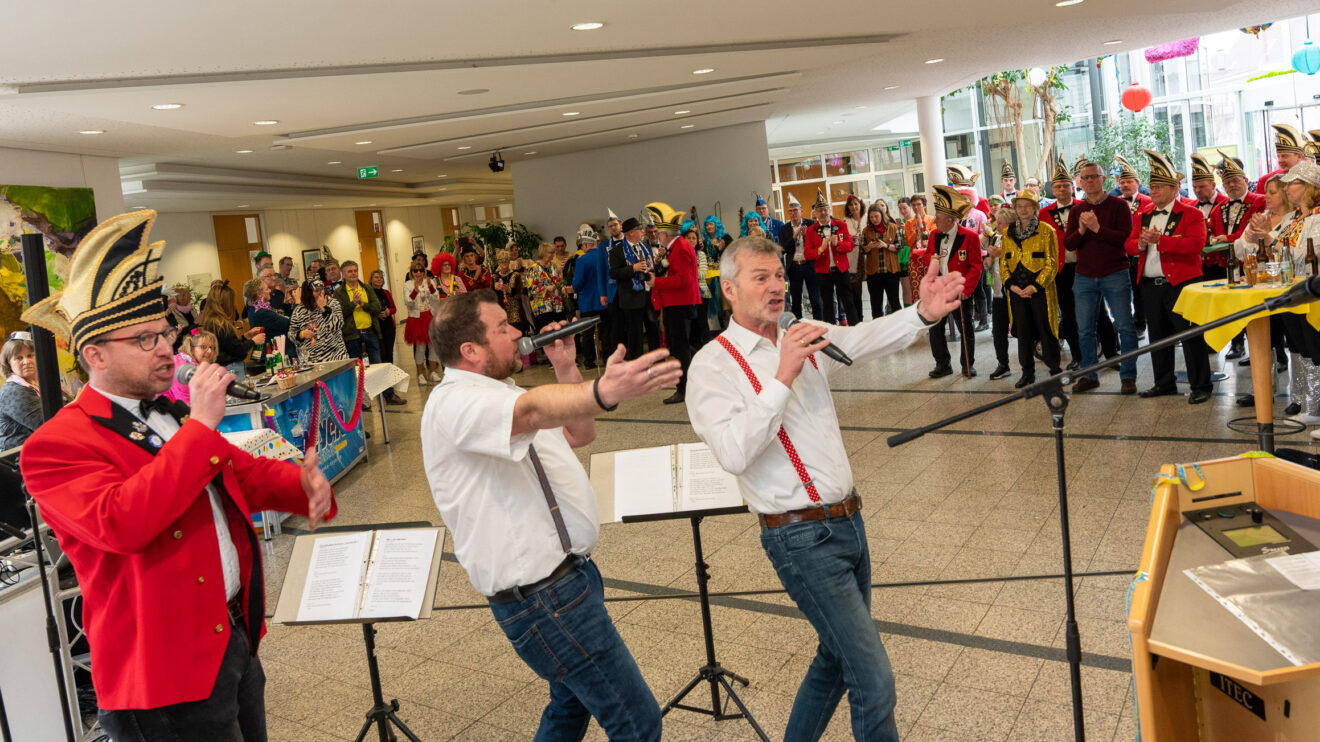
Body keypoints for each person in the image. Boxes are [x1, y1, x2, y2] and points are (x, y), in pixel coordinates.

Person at [18, 209, 335, 741]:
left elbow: (245, 478)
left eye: (164, 333)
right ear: (93, 354)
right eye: (144, 340)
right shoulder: (55, 446)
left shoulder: (172, 417)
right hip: (161, 676)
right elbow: (125, 522)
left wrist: (302, 487)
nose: (167, 348)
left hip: (231, 639)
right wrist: (203, 425)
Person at [686, 235, 963, 742]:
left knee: (835, 660)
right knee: (873, 678)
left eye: (779, 276)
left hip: (849, 524)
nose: (777, 288)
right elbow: (732, 453)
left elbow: (862, 338)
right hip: (799, 539)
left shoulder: (802, 334)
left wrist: (922, 313)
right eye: (761, 278)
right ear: (728, 289)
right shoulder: (712, 365)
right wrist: (783, 373)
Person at [420, 289, 679, 742]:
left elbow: (580, 433)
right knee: (637, 721)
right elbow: (537, 410)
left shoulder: (502, 392)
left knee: (568, 707)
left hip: (569, 582)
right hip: (545, 599)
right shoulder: (456, 404)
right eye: (503, 328)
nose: (519, 333)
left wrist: (565, 367)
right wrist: (604, 390)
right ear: (471, 351)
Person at [1124, 150, 1212, 404]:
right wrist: (1140, 243)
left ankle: (1201, 385)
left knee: (1190, 336)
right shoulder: (1142, 214)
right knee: (1158, 337)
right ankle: (1163, 382)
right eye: (1152, 186)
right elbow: (1128, 245)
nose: (1154, 190)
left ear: (1176, 189)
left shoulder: (1191, 214)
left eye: (1160, 186)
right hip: (1151, 284)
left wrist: (1161, 241)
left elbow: (1196, 245)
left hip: (1182, 285)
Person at [1065, 159, 1140, 394]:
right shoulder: (1076, 209)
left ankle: (1128, 376)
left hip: (1114, 273)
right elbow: (1069, 243)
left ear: (1103, 179)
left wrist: (1098, 228)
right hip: (1084, 276)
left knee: (1125, 326)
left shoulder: (1118, 206)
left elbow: (1124, 239)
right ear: (1080, 182)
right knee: (1085, 329)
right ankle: (1090, 374)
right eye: (1084, 178)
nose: (1089, 181)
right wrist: (1082, 230)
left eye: (1093, 177)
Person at [1041, 157, 1117, 370]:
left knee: (1099, 312)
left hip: (1087, 266)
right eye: (1057, 186)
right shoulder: (1043, 214)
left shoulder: (1086, 207)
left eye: (1066, 185)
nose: (1062, 189)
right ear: (1052, 190)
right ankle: (1078, 358)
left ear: (1073, 186)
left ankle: (1112, 354)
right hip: (1061, 270)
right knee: (1069, 314)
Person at [1232, 175, 1299, 409]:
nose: (1267, 197)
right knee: (1262, 340)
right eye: (1266, 192)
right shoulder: (1261, 218)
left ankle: (1300, 396)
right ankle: (1261, 390)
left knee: (1295, 341)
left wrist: (1267, 236)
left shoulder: (1295, 219)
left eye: (1272, 192)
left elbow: (1293, 254)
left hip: (1288, 289)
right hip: (1260, 289)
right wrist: (1249, 237)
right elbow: (1240, 252)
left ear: (1285, 194)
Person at [1000, 191, 1062, 387]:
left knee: (1046, 329)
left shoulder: (1046, 230)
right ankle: (1027, 372)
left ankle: (1055, 369)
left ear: (1035, 208)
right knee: (1023, 332)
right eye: (1019, 206)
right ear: (1015, 210)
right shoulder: (1007, 232)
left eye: (1027, 206)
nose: (1023, 210)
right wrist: (1011, 285)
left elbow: (1052, 263)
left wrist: (1035, 286)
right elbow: (1003, 262)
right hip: (1016, 291)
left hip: (1040, 290)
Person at [922, 185, 984, 378]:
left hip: (959, 290)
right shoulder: (934, 235)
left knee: (965, 328)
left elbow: (976, 266)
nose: (935, 221)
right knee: (935, 328)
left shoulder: (970, 237)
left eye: (938, 218)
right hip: (938, 289)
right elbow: (926, 256)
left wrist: (967, 288)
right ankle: (942, 364)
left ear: (950, 219)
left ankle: (967, 364)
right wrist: (932, 259)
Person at [644, 202, 702, 404]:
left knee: (680, 347)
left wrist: (656, 282)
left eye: (659, 232)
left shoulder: (680, 248)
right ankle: (700, 373)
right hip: (674, 303)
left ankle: (684, 388)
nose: (657, 235)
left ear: (666, 233)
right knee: (680, 345)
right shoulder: (674, 248)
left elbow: (683, 280)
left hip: (679, 303)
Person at [804, 189, 857, 326]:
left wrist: (838, 244)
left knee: (848, 300)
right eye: (820, 210)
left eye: (825, 210)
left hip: (841, 269)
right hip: (823, 272)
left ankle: (854, 328)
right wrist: (820, 249)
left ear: (830, 211)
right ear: (815, 213)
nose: (823, 213)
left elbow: (850, 245)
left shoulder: (841, 225)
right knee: (827, 303)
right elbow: (808, 253)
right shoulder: (811, 230)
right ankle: (831, 331)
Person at [608, 217, 656, 359]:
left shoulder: (645, 247)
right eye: (639, 229)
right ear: (631, 233)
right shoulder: (617, 251)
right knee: (635, 333)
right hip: (631, 298)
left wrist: (653, 271)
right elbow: (614, 273)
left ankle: (657, 359)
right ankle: (637, 360)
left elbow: (650, 266)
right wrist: (632, 268)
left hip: (648, 294)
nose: (642, 232)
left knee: (653, 329)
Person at [198, 282, 264, 368]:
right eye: (231, 301)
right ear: (225, 304)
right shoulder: (221, 325)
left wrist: (245, 336)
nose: (233, 305)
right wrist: (253, 341)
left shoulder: (212, 322)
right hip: (230, 367)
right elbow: (236, 350)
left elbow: (229, 345)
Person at [778, 193, 822, 320]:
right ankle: (798, 327)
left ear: (801, 211)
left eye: (795, 210)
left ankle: (820, 324)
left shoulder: (811, 224)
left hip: (810, 265)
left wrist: (808, 235)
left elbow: (819, 245)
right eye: (790, 211)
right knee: (796, 301)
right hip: (794, 267)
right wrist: (794, 236)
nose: (793, 213)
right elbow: (782, 250)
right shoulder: (784, 229)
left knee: (816, 300)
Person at [570, 225, 608, 369]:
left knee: (587, 333)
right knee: (605, 332)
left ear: (585, 244)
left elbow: (577, 283)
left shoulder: (581, 260)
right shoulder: (604, 257)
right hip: (604, 301)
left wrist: (575, 288)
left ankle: (589, 362)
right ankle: (607, 359)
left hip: (587, 302)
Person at [0, 332, 45, 449]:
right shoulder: (13, 392)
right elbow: (47, 425)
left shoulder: (42, 383)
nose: (26, 362)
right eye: (19, 358)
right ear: (8, 364)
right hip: (21, 458)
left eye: (30, 355)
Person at [985, 205, 1014, 380]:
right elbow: (989, 269)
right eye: (997, 222)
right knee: (998, 331)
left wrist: (1001, 254)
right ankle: (1003, 364)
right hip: (998, 293)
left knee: (1022, 331)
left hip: (1015, 291)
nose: (997, 225)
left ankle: (1029, 366)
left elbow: (1021, 261)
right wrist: (989, 261)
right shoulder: (996, 239)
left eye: (1001, 222)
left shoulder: (1017, 239)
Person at [290, 278, 350, 363]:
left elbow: (337, 326)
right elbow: (291, 333)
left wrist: (324, 308)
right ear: (308, 293)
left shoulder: (333, 303)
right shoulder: (299, 310)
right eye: (317, 290)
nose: (321, 293)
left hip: (337, 357)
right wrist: (302, 334)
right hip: (313, 361)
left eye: (322, 289)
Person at [1189, 153, 1229, 280]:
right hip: (1198, 266)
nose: (1197, 190)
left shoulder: (1226, 204)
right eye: (1194, 187)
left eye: (1202, 186)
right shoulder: (1190, 207)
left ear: (1213, 185)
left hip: (1221, 265)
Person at [861, 200, 902, 317]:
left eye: (876, 216)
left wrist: (886, 245)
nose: (874, 219)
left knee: (895, 302)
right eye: (871, 217)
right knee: (875, 304)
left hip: (891, 271)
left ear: (882, 215)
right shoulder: (866, 231)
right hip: (874, 273)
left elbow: (900, 247)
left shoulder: (894, 227)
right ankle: (878, 331)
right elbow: (862, 250)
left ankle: (899, 328)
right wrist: (869, 246)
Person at [403, 262, 441, 385]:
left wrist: (430, 286)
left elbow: (436, 298)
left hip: (429, 316)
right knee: (420, 348)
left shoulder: (429, 281)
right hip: (417, 318)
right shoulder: (407, 284)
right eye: (415, 270)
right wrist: (414, 291)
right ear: (412, 272)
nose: (418, 272)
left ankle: (433, 372)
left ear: (424, 271)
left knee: (433, 346)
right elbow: (408, 302)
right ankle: (420, 374)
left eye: (421, 270)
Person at [164, 329, 219, 405]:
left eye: (212, 348)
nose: (210, 351)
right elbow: (185, 404)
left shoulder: (194, 364)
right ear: (191, 348)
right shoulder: (181, 367)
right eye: (203, 347)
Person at [242, 277, 290, 363]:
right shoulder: (262, 312)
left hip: (267, 354)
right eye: (267, 289)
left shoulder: (253, 307)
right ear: (259, 294)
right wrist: (297, 304)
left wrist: (285, 304)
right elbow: (288, 324)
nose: (270, 291)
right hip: (270, 356)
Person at [900, 195, 935, 307]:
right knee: (916, 289)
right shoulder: (909, 223)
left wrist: (923, 227)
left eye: (918, 204)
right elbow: (909, 242)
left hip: (929, 258)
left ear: (924, 205)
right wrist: (917, 229)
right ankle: (920, 315)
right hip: (915, 260)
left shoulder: (932, 220)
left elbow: (933, 238)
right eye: (913, 205)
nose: (916, 207)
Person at [1256, 124, 1308, 195]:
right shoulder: (1265, 180)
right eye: (1278, 156)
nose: (1280, 160)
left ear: (1299, 156)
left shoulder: (1311, 180)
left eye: (1284, 156)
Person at [527, 241, 566, 332]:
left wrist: (561, 286)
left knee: (562, 330)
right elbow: (531, 289)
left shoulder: (553, 267)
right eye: (551, 252)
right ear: (543, 253)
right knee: (548, 334)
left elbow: (559, 281)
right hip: (543, 307)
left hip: (557, 304)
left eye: (553, 252)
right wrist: (546, 288)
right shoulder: (534, 268)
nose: (553, 254)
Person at [843, 194, 867, 322]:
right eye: (851, 205)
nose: (853, 207)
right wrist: (850, 240)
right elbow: (842, 240)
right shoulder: (845, 221)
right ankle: (857, 320)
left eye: (856, 204)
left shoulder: (867, 218)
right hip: (853, 260)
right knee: (855, 292)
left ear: (860, 204)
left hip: (868, 258)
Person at [702, 215, 728, 330]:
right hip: (711, 277)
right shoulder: (704, 242)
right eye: (707, 225)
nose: (709, 226)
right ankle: (718, 330)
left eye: (711, 224)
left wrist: (722, 247)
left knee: (726, 304)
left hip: (724, 275)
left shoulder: (725, 237)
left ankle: (728, 328)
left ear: (716, 225)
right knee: (714, 304)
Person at [369, 269, 397, 365]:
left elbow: (394, 308)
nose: (379, 279)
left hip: (389, 326)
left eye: (381, 277)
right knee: (380, 353)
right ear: (371, 279)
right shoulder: (368, 293)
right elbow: (367, 309)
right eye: (376, 277)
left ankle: (390, 372)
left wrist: (389, 311)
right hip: (375, 328)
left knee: (389, 352)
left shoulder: (386, 292)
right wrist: (376, 314)